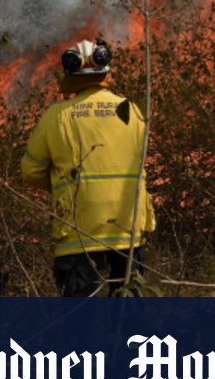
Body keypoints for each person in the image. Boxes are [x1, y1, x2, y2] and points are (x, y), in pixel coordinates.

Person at [20, 37, 155, 297]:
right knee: (131, 315)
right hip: (127, 225)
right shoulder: (133, 111)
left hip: (78, 230)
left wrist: (64, 185)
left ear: (70, 74)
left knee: (81, 320)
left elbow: (30, 171)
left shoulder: (56, 116)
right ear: (106, 71)